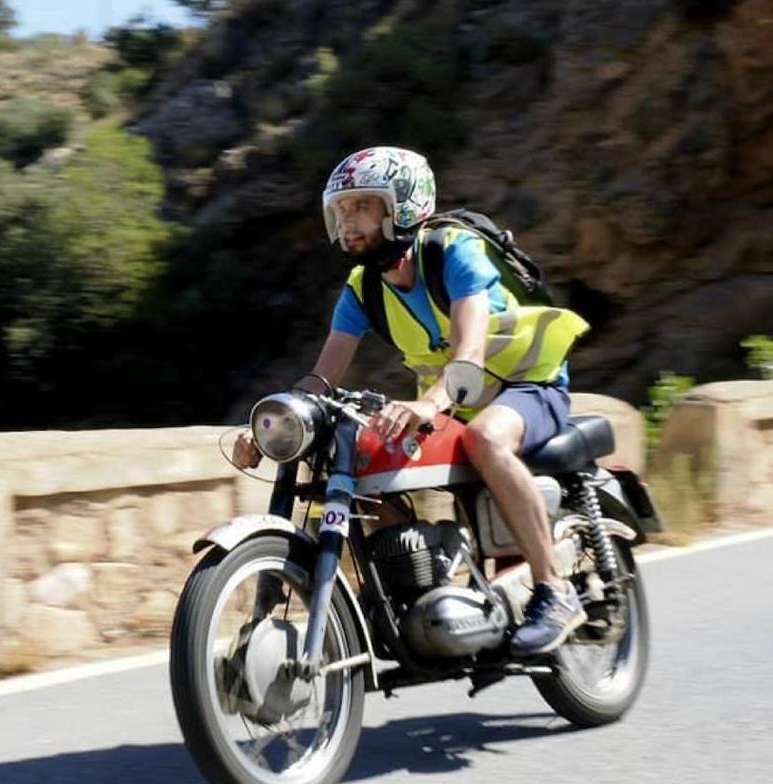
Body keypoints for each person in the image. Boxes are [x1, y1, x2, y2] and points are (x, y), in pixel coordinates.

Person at [232, 146, 592, 656]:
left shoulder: (453, 253)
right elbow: (322, 376)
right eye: (341, 209)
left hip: (529, 385)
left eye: (360, 206)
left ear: (401, 205)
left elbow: (468, 350)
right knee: (362, 464)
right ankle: (412, 590)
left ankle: (553, 590)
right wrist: (274, 426)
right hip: (457, 402)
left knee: (486, 439)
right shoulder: (362, 289)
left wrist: (429, 404)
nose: (347, 220)